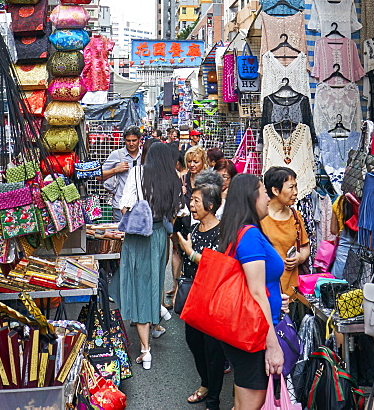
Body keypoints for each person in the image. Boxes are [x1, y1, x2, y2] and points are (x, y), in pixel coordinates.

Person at [217, 173, 285, 409]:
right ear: (251, 196)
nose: (268, 197)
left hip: (247, 331)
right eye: (264, 191)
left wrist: (276, 297)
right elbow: (257, 294)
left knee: (242, 402)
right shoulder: (250, 236)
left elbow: (254, 285)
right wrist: (273, 346)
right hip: (254, 334)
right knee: (251, 404)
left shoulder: (239, 231)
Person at [118, 141, 180, 370]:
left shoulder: (137, 173)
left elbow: (125, 205)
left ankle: (146, 351)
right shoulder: (172, 178)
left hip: (138, 237)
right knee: (153, 280)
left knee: (138, 285)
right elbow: (175, 212)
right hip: (160, 235)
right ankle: (158, 310)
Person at [176, 183, 226, 408]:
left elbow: (217, 266)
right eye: (192, 200)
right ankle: (205, 383)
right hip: (194, 298)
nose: (192, 205)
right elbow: (186, 266)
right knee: (193, 342)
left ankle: (213, 400)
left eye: (196, 201)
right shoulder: (194, 230)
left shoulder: (222, 231)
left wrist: (190, 252)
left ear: (211, 205)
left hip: (214, 300)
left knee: (213, 351)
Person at [168, 145, 211, 304]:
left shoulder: (208, 179)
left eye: (196, 162)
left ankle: (193, 291)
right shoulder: (183, 177)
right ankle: (177, 286)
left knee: (195, 256)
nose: (192, 165)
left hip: (200, 221)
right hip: (183, 219)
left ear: (203, 162)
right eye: (190, 161)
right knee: (178, 252)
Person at [260, 166, 310, 300]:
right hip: (266, 290)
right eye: (291, 187)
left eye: (296, 187)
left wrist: (300, 257)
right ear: (275, 190)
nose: (295, 192)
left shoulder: (295, 216)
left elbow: (305, 246)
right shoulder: (259, 217)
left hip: (292, 289)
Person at [102, 128, 143, 213]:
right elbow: (99, 176)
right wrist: (115, 170)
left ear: (140, 139)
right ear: (124, 140)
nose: (131, 144)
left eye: (134, 140)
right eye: (128, 141)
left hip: (140, 206)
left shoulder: (144, 156)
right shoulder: (117, 155)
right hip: (120, 205)